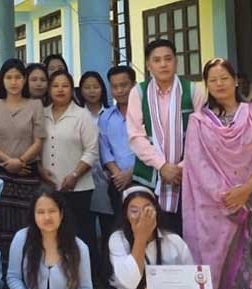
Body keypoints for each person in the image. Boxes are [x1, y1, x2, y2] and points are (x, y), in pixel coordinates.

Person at [182, 58, 252, 289]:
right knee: (230, 274)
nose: (219, 84)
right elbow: (197, 165)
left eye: (224, 77)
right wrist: (226, 196)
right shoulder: (200, 122)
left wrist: (247, 189)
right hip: (219, 210)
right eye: (212, 80)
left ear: (235, 80)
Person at [126, 39, 206, 234]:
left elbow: (203, 138)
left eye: (168, 59)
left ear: (176, 61)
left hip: (186, 176)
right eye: (157, 60)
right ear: (148, 64)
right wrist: (162, 166)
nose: (163, 64)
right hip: (149, 176)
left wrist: (179, 168)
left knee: (186, 233)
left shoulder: (193, 90)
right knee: (151, 234)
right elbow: (135, 135)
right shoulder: (138, 92)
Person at [0, 58, 46, 263]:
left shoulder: (35, 105)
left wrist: (20, 161)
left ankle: (27, 271)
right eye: (9, 77)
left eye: (18, 77)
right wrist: (8, 162)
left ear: (24, 79)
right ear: (2, 80)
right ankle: (4, 276)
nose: (13, 82)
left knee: (27, 225)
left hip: (27, 173)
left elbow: (38, 140)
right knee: (1, 225)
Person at [39, 70, 100, 281]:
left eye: (65, 85)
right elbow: (36, 146)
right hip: (49, 189)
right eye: (55, 85)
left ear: (71, 88)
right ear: (49, 88)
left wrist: (75, 174)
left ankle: (83, 281)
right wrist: (39, 169)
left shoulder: (82, 115)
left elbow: (92, 151)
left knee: (80, 237)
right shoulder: (42, 114)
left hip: (78, 189)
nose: (60, 89)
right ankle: (56, 280)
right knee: (52, 236)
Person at [78, 71, 114, 271]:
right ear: (80, 90)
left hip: (108, 177)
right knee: (87, 228)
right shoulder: (77, 114)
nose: (92, 91)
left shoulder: (111, 114)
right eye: (87, 87)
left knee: (109, 227)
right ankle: (92, 271)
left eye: (96, 86)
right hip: (83, 178)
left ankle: (109, 269)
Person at [99, 66, 137, 246]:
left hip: (144, 180)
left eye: (124, 85)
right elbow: (104, 148)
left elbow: (153, 146)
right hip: (117, 183)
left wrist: (132, 172)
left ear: (134, 85)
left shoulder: (145, 114)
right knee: (120, 229)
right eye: (115, 86)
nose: (120, 90)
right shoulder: (106, 117)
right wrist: (117, 174)